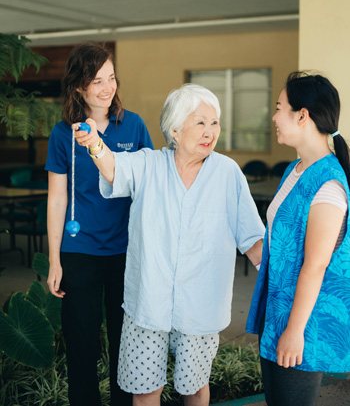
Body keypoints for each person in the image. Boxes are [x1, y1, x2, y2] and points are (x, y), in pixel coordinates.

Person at [74, 83, 265, 406]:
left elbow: (252, 238)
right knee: (145, 391)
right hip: (148, 305)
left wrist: (284, 284)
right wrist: (94, 143)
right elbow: (114, 168)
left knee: (194, 388)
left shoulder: (227, 173)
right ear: (175, 129)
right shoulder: (148, 164)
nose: (210, 131)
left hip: (200, 308)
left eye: (214, 122)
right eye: (200, 122)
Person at [46, 43, 153, 406]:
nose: (108, 88)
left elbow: (149, 186)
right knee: (82, 344)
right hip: (80, 252)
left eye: (111, 78)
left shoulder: (133, 125)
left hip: (126, 251)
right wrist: (55, 260)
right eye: (97, 81)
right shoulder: (64, 134)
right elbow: (57, 199)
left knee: (126, 343)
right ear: (79, 87)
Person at [246, 72, 350, 406]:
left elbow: (316, 265)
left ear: (302, 115)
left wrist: (294, 332)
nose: (274, 117)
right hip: (277, 311)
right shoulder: (296, 170)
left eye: (279, 108)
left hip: (303, 322)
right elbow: (281, 244)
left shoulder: (329, 185)